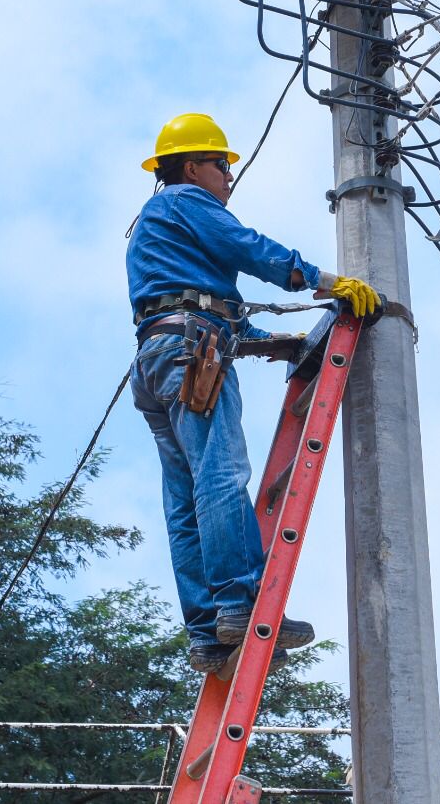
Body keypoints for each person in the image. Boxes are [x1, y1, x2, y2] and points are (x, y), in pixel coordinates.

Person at [127, 112, 380, 675]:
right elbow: (246, 247)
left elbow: (208, 304)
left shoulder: (159, 226)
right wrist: (324, 281)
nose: (228, 175)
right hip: (192, 351)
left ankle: (208, 632)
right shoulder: (186, 202)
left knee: (186, 498)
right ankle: (240, 603)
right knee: (220, 474)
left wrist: (279, 344)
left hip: (160, 357)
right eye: (221, 164)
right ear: (191, 168)